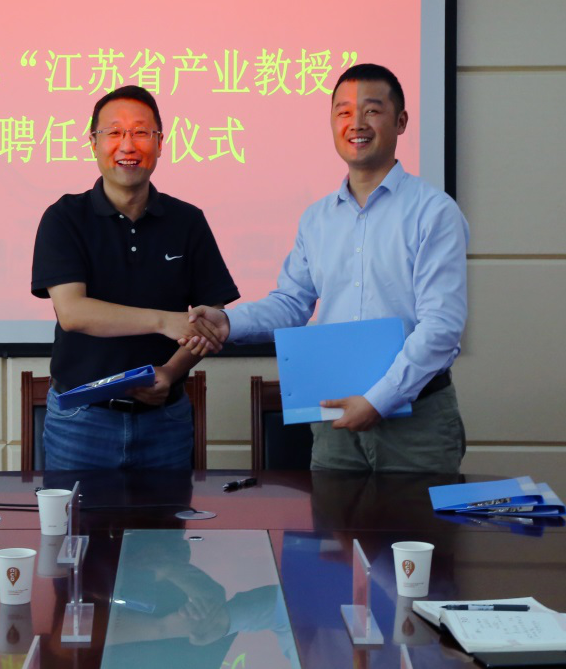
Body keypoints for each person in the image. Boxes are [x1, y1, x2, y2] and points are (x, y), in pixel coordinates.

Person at [184, 63, 468, 473]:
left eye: (372, 110)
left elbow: (441, 326)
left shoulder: (434, 212)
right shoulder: (317, 219)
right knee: (334, 517)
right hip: (334, 418)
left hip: (416, 421)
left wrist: (379, 400)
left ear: (401, 121)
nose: (357, 123)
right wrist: (228, 322)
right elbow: (290, 304)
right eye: (343, 112)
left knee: (417, 519)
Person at [31, 85, 238, 470]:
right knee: (74, 514)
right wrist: (164, 321)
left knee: (166, 513)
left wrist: (171, 372)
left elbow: (210, 318)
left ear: (160, 143)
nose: (127, 145)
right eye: (114, 132)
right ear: (93, 143)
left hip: (166, 421)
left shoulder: (188, 221)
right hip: (81, 422)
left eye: (141, 132)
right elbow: (72, 312)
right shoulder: (64, 218)